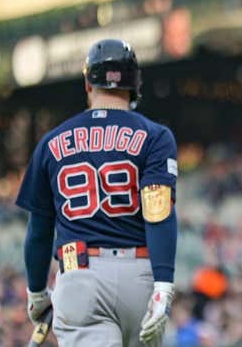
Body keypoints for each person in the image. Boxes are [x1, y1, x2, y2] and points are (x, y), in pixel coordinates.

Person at [17, 39, 178, 347]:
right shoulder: (156, 136)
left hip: (81, 276)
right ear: (134, 84)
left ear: (88, 83)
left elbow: (38, 232)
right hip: (140, 278)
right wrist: (163, 284)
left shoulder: (52, 142)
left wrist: (37, 292)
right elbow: (159, 215)